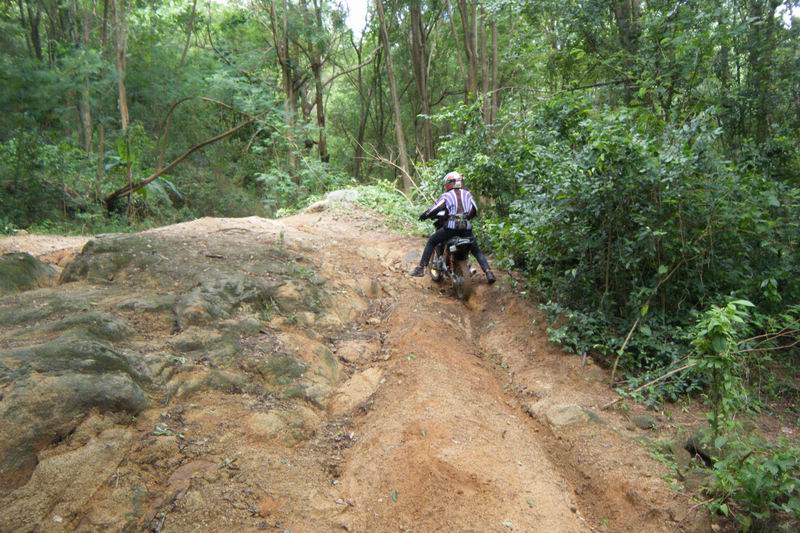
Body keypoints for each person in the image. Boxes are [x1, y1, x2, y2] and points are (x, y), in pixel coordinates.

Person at [409, 172, 496, 284]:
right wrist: (466, 217)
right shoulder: (467, 194)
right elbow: (474, 210)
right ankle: (488, 273)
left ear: (449, 183)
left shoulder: (447, 195)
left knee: (432, 241)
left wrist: (425, 215)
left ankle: (421, 268)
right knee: (476, 250)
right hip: (466, 228)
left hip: (451, 228)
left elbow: (435, 209)